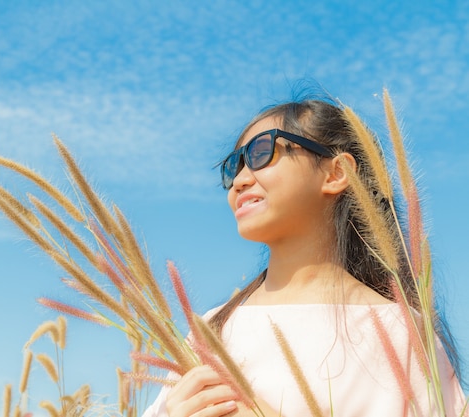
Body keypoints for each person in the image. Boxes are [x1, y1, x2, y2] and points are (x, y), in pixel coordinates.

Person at [141, 94, 467, 417]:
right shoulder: (211, 330)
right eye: (233, 166)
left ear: (337, 173)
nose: (239, 180)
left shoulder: (401, 331)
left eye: (260, 153)